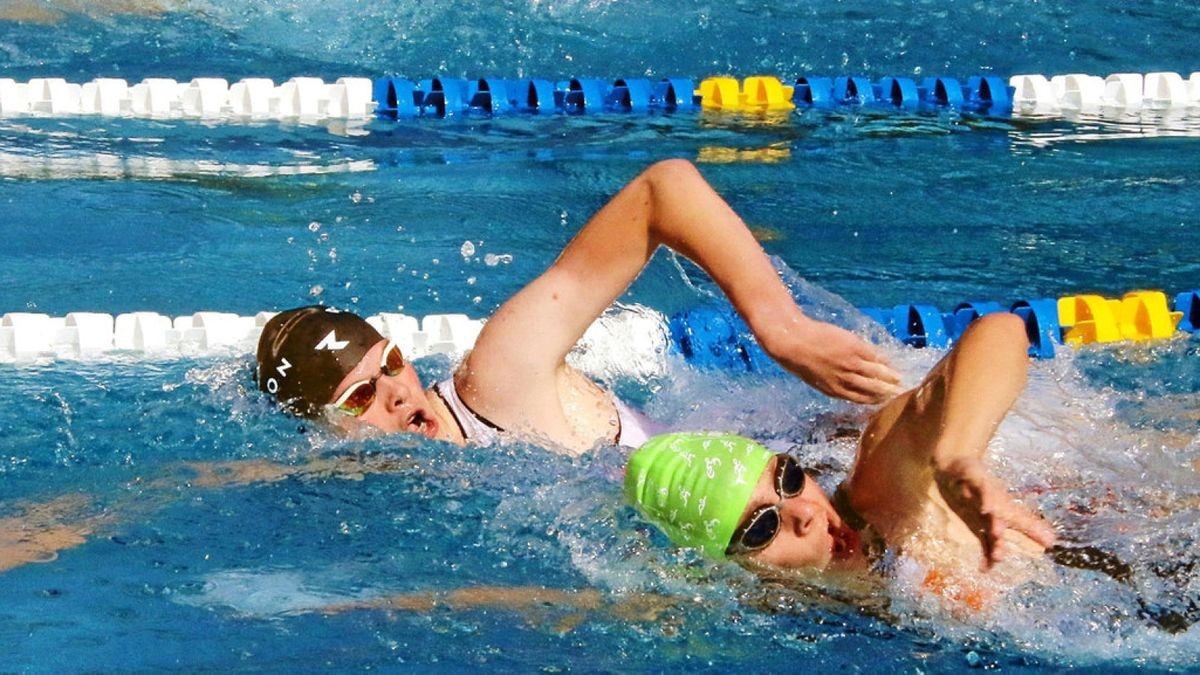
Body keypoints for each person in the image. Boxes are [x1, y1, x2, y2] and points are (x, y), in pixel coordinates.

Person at [256, 159, 901, 454]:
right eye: (359, 400)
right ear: (323, 434)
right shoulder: (395, 489)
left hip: (815, 468)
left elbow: (663, 191)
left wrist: (782, 330)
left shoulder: (496, 381)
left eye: (390, 363)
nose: (396, 393)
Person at [626, 313, 1059, 609]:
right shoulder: (765, 601)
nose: (808, 512)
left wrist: (956, 454)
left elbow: (1001, 331)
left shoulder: (883, 490)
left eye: (790, 478)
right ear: (727, 566)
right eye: (763, 527)